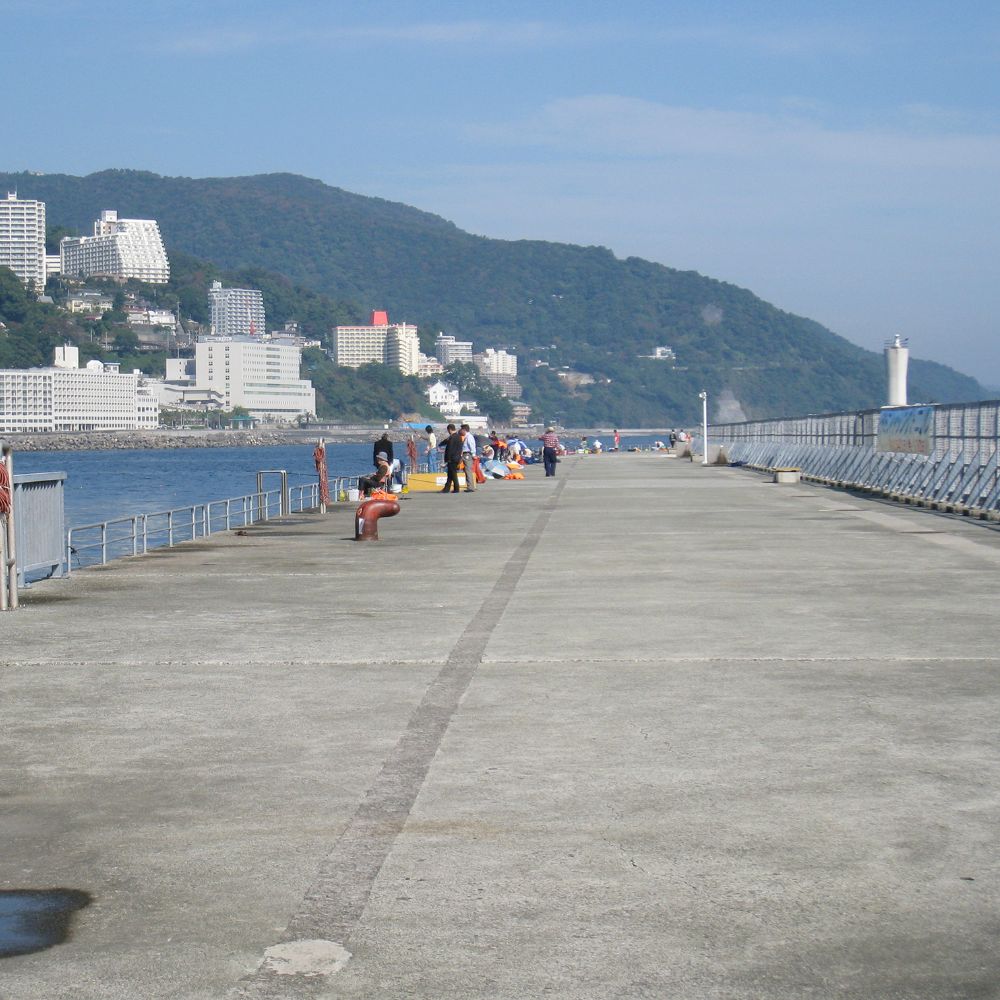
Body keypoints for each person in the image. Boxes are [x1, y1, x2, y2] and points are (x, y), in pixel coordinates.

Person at [440, 424, 463, 493]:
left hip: (452, 459)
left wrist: (448, 459)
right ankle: (446, 488)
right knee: (450, 474)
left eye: (448, 430)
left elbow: (450, 449)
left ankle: (456, 488)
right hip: (457, 458)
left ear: (449, 429)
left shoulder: (452, 438)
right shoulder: (458, 437)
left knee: (453, 474)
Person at [460, 423, 477, 492]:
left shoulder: (469, 437)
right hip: (465, 454)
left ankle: (470, 487)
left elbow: (472, 446)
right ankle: (469, 486)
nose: (460, 431)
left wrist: (473, 454)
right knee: (466, 470)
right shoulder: (466, 437)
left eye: (461, 429)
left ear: (464, 430)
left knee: (468, 470)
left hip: (467, 454)